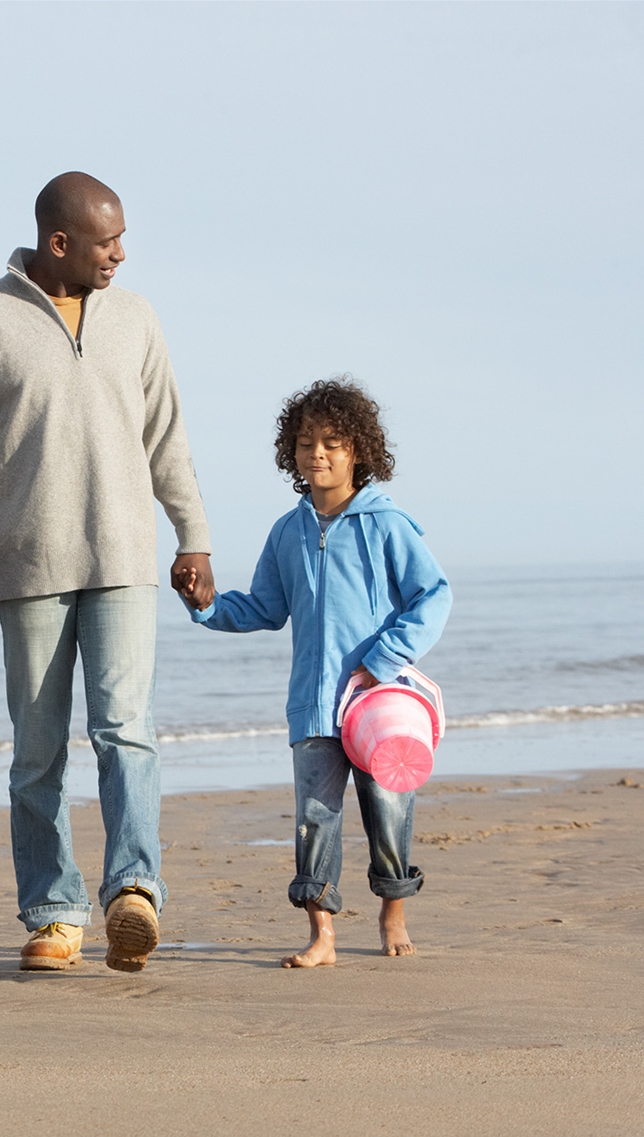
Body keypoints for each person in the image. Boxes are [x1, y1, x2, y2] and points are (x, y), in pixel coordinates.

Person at [0, 171, 214, 973]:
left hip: (125, 559)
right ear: (61, 243)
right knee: (39, 750)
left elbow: (167, 435)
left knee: (126, 728)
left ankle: (134, 893)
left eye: (122, 239)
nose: (121, 254)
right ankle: (54, 913)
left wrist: (193, 534)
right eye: (107, 241)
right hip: (27, 566)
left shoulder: (137, 317)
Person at [175, 378, 450, 966]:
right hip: (312, 704)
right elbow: (265, 609)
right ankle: (323, 936)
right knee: (315, 820)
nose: (317, 453)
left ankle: (393, 911)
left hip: (379, 704)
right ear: (290, 454)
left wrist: (383, 661)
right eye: (305, 443)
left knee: (389, 813)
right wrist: (205, 602)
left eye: (331, 442)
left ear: (359, 452)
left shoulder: (387, 524)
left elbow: (434, 596)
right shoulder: (287, 532)